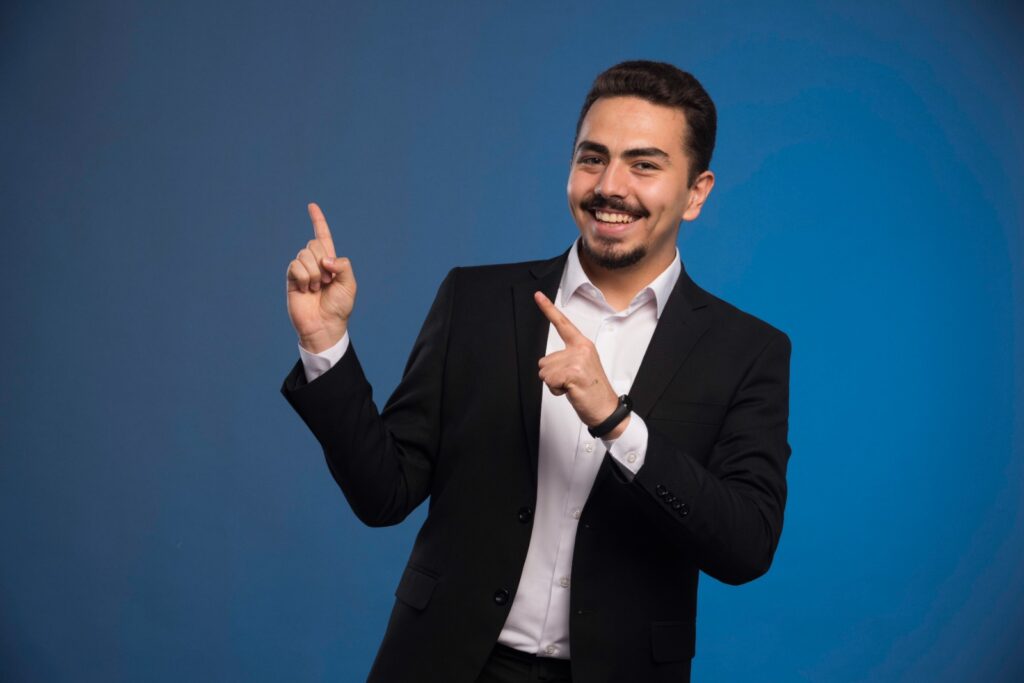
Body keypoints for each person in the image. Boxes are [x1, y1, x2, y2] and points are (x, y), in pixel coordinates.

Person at [281, 60, 791, 683]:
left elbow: (745, 547)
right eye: (592, 158)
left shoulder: (747, 350)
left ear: (696, 193)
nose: (611, 185)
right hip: (445, 664)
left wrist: (617, 421)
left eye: (645, 164)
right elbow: (383, 493)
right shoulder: (476, 300)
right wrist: (325, 343)